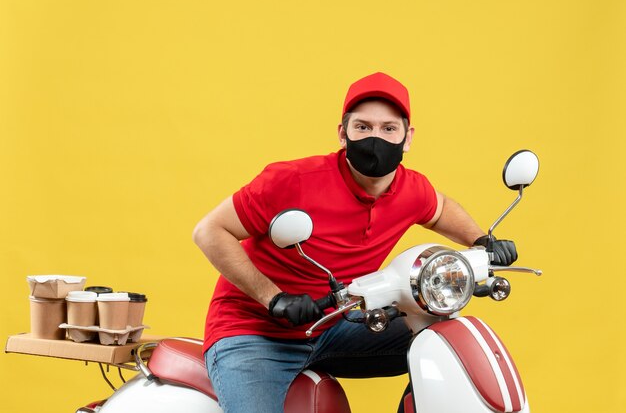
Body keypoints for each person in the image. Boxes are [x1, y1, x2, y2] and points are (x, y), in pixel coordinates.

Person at [193, 72, 517, 413]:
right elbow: (210, 231)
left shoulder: (411, 188)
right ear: (342, 133)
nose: (375, 138)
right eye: (362, 127)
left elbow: (441, 209)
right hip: (254, 333)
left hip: (337, 325)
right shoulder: (292, 181)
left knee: (448, 343)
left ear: (408, 137)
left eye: (388, 128)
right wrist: (273, 298)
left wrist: (482, 239)